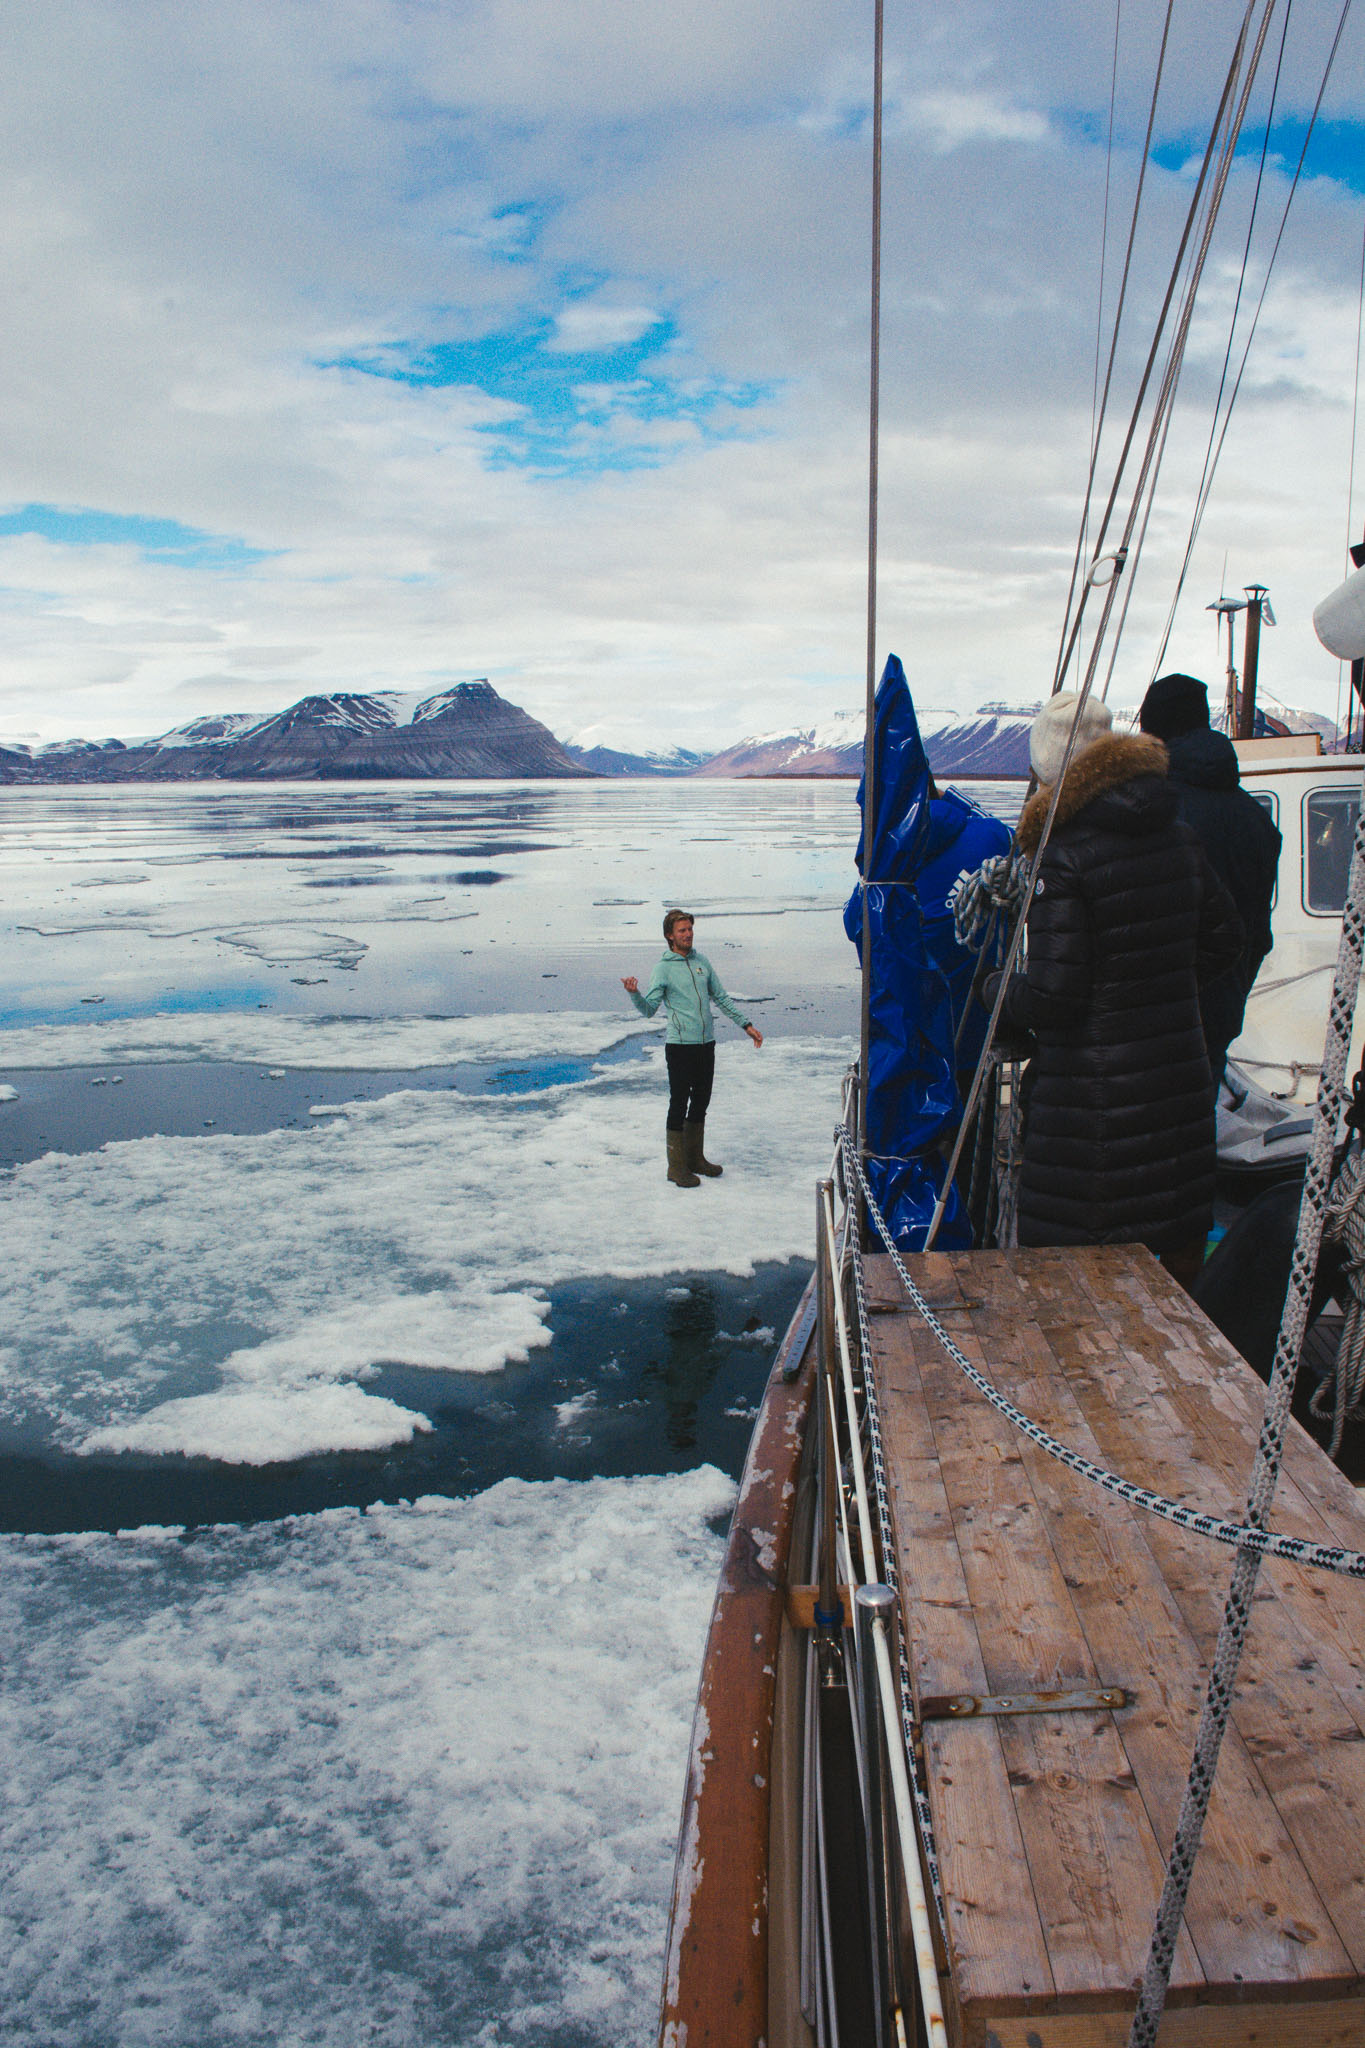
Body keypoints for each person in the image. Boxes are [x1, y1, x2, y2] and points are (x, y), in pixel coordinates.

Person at [993, 691, 1243, 1289]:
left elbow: (1056, 996)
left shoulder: (1065, 855)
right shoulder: (1176, 835)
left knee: (1070, 1281)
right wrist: (1155, 994)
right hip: (1176, 1086)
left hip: (1093, 1109)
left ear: (1050, 769)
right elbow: (1226, 939)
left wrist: (994, 993)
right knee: (1174, 1260)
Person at [1138, 671, 1281, 1086]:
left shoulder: (1153, 810)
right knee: (1199, 1126)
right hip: (1225, 1004)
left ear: (1153, 733)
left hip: (1157, 1017)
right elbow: (1255, 931)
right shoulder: (1256, 817)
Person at [622, 910, 763, 1188]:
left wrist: (746, 1025)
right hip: (679, 1046)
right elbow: (649, 1010)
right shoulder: (663, 968)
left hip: (705, 1043)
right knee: (679, 1103)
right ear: (670, 936)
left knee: (701, 1101)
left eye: (689, 929)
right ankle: (676, 1168)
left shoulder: (702, 962)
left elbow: (721, 997)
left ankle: (695, 1159)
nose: (688, 934)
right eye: (682, 931)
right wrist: (634, 994)